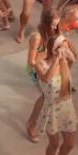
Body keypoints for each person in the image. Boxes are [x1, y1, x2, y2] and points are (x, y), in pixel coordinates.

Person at [35, 35, 78, 155]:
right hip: (52, 110)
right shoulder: (40, 64)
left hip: (66, 108)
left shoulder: (66, 62)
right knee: (54, 144)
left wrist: (67, 43)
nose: (66, 50)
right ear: (54, 49)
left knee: (70, 143)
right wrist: (56, 60)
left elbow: (76, 55)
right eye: (63, 47)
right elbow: (46, 79)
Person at [25, 9, 63, 143]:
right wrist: (43, 73)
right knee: (46, 95)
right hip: (36, 68)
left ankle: (34, 121)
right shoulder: (37, 36)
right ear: (45, 23)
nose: (55, 28)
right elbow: (31, 60)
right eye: (52, 25)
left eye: (57, 25)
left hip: (47, 63)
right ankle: (31, 123)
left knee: (48, 94)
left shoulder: (54, 31)